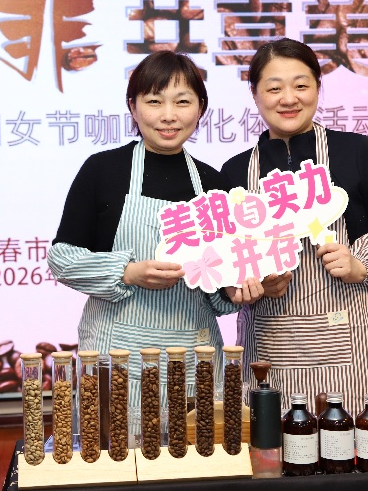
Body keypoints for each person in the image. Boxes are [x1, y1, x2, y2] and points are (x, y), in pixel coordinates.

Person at [47, 50, 264, 405]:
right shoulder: (103, 170)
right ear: (133, 107)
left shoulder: (214, 185)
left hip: (195, 359)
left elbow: (217, 291)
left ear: (200, 108)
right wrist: (128, 272)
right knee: (117, 439)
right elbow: (63, 259)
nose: (168, 115)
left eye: (182, 102)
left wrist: (234, 291)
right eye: (154, 101)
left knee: (196, 441)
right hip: (115, 356)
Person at [221, 38, 368, 416]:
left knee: (354, 440)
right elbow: (221, 259)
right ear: (254, 94)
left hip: (353, 347)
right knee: (275, 443)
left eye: (301, 85)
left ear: (317, 86)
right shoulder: (234, 172)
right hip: (272, 349)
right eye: (274, 88)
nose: (289, 98)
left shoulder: (357, 152)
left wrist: (360, 263)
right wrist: (249, 281)